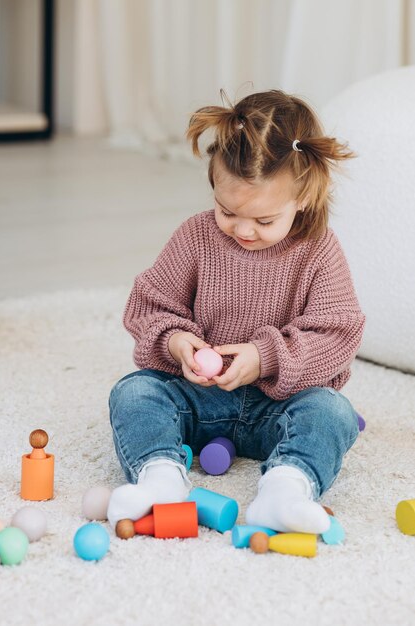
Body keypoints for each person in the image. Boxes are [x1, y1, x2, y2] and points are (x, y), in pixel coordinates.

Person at [107, 89, 365, 535]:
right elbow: (150, 303)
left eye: (264, 220)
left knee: (333, 413)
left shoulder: (319, 251)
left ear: (303, 196)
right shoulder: (196, 236)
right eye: (228, 211)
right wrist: (175, 340)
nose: (243, 230)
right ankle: (161, 478)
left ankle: (287, 489)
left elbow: (337, 336)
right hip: (199, 399)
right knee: (133, 393)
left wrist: (265, 358)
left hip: (279, 406)